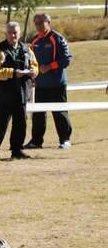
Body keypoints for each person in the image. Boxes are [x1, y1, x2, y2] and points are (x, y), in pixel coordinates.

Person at [0, 22, 38, 160]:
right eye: (10, 32)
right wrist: (12, 72)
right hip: (4, 95)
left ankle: (17, 150)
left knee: (21, 124)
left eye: (15, 32)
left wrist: (34, 72)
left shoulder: (27, 49)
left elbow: (34, 65)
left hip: (22, 94)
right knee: (0, 125)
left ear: (20, 33)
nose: (13, 35)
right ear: (6, 34)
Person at [26, 13, 73, 150]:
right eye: (36, 23)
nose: (39, 25)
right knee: (38, 114)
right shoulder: (35, 40)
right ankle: (36, 141)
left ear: (48, 22)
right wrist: (32, 77)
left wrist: (50, 67)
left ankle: (65, 140)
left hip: (57, 84)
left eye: (41, 22)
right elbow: (31, 61)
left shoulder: (57, 39)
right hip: (40, 85)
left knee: (60, 113)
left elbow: (67, 59)